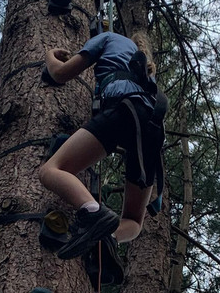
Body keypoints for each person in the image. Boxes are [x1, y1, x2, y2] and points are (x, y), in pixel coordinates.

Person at [39, 31, 164, 259]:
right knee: (134, 220)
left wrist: (49, 55)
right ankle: (110, 236)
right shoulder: (147, 72)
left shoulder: (108, 38)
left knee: (50, 170)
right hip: (152, 131)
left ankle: (93, 212)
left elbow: (59, 73)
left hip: (123, 112)